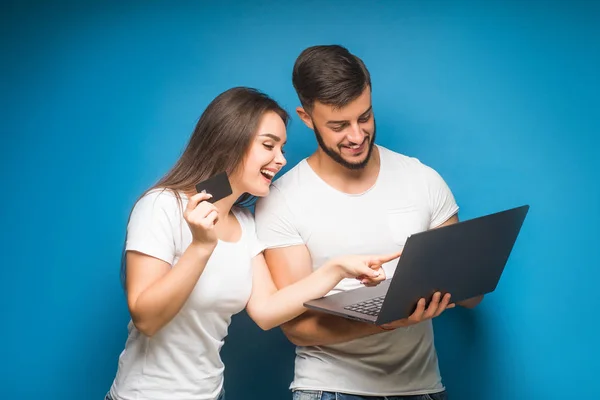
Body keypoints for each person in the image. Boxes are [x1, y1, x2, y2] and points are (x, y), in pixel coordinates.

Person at [105, 86, 401, 400]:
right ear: (229, 143)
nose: (281, 160)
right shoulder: (161, 206)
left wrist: (336, 269)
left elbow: (266, 311)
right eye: (268, 146)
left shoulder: (244, 223)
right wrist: (202, 246)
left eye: (282, 148)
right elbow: (147, 320)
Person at [254, 45, 484, 400]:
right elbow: (298, 327)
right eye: (338, 125)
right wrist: (386, 323)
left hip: (423, 388)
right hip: (329, 390)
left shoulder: (421, 179)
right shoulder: (282, 199)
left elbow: (471, 292)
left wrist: (467, 279)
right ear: (306, 117)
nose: (357, 136)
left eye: (364, 117)